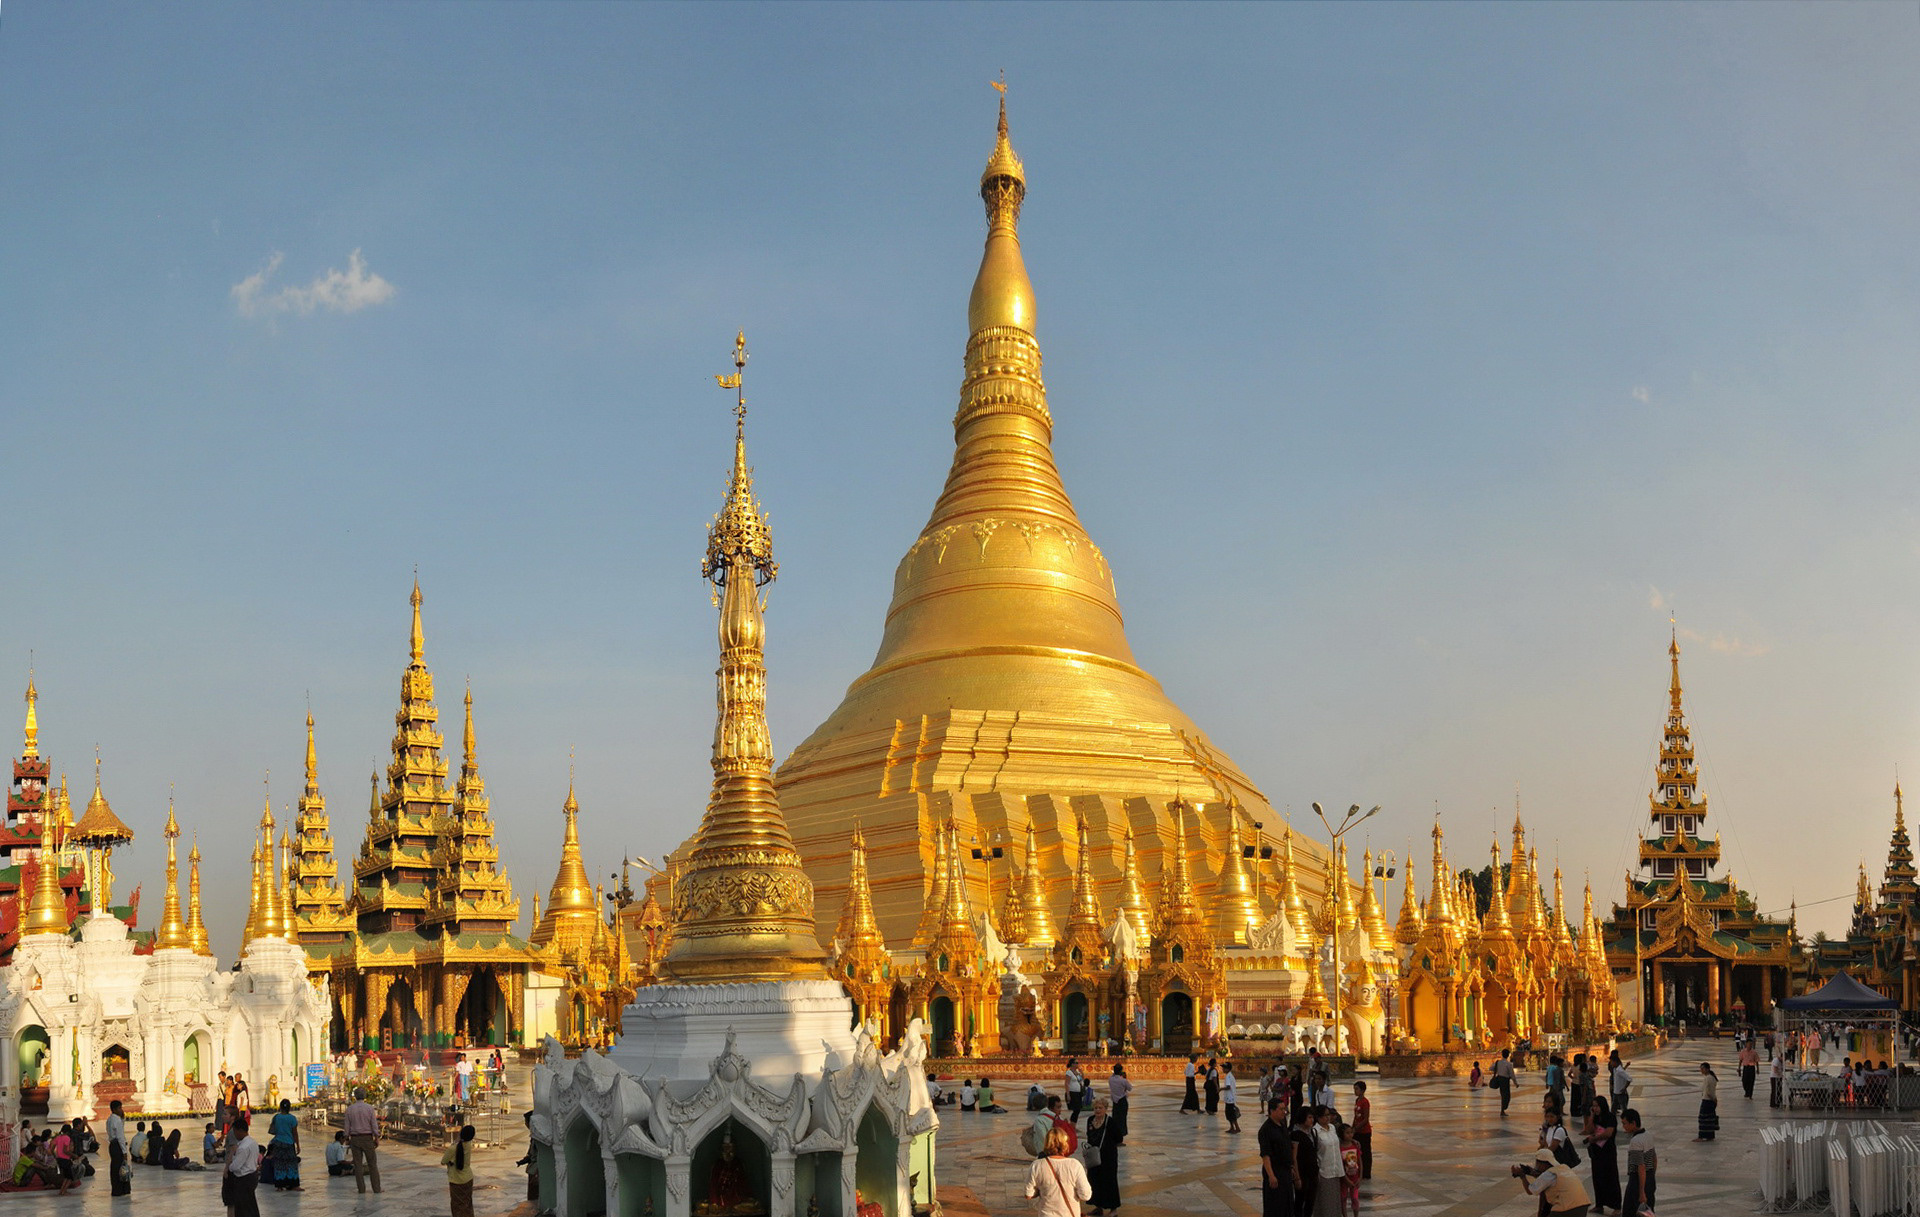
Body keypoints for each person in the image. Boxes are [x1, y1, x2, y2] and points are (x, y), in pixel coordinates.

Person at [1024, 1125, 1092, 1217]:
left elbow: (1028, 1194)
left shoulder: (1037, 1165)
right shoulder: (1075, 1165)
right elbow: (1085, 1195)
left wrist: (1040, 1191)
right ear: (1065, 1144)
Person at [1513, 1146, 1591, 1215]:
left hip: (1567, 1209)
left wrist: (1522, 1176)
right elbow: (1548, 1180)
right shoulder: (1563, 1168)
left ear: (1543, 1164)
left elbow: (1531, 1190)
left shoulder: (1548, 1174)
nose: (1537, 1166)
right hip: (1583, 1206)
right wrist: (1533, 1173)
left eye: (1537, 1163)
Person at [1259, 1095, 1296, 1217]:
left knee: (1287, 1204)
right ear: (1272, 1111)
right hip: (1275, 1171)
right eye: (1281, 1109)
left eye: (1284, 1109)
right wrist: (1271, 1175)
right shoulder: (1266, 1130)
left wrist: (1291, 1167)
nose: (1284, 1112)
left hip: (1285, 1172)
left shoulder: (1282, 1125)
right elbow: (1265, 1155)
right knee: (1275, 1206)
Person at [1083, 1097, 1121, 1217]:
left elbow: (1119, 1138)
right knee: (1095, 1180)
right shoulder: (1090, 1120)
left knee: (1109, 1181)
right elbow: (1089, 1136)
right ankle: (1098, 1207)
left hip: (1108, 1157)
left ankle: (1113, 1209)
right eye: (1096, 1108)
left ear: (1106, 1109)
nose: (1098, 1110)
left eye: (1100, 1108)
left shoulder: (1110, 1122)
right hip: (1094, 1156)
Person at [1584, 1095, 1621, 1214]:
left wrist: (1594, 1138)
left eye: (1597, 1106)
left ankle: (1616, 1206)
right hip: (1597, 1152)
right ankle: (1599, 1204)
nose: (1595, 1108)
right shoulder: (1595, 1118)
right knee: (1597, 1178)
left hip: (1608, 1152)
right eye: (1593, 1106)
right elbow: (1589, 1130)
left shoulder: (1610, 1117)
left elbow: (1609, 1133)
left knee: (1611, 1177)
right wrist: (1591, 1116)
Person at [344, 1086, 383, 1195]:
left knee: (358, 1165)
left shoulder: (350, 1109)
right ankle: (376, 1188)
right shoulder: (369, 1108)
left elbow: (347, 1126)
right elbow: (374, 1124)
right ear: (364, 1096)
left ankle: (361, 1189)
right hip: (367, 1138)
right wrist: (376, 1137)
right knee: (372, 1164)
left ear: (355, 1096)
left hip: (355, 1138)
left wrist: (347, 1138)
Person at [224, 1116, 262, 1217]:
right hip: (252, 1176)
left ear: (240, 1131)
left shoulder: (243, 1147)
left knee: (242, 1208)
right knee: (251, 1205)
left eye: (235, 1131)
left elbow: (235, 1167)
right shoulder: (253, 1142)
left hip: (243, 1180)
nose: (235, 1134)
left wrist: (229, 1165)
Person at [1619, 1109, 1654, 1217]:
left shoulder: (1636, 1142)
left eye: (1625, 1123)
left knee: (1632, 1211)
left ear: (1633, 1123)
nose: (1623, 1127)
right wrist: (1651, 1177)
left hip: (1637, 1181)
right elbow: (1654, 1158)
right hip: (1649, 1177)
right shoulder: (1648, 1135)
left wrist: (1641, 1191)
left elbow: (1641, 1166)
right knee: (1647, 1211)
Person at [1311, 1107, 1344, 1217]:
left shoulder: (1332, 1128)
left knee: (1335, 1202)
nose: (1328, 1117)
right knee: (1325, 1203)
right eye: (1325, 1115)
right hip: (1324, 1171)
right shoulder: (1315, 1131)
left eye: (1328, 1115)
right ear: (1318, 1117)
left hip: (1335, 1169)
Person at [443, 1123, 477, 1217]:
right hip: (468, 1178)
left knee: (457, 1206)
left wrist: (455, 1141)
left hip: (456, 1180)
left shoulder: (453, 1148)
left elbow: (443, 1161)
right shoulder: (468, 1145)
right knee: (467, 1204)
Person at [267, 1098, 302, 1190]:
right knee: (291, 1164)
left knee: (279, 1163)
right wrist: (298, 1145)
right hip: (289, 1143)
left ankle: (280, 1185)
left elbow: (272, 1130)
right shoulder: (292, 1118)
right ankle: (294, 1184)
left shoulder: (276, 1117)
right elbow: (295, 1133)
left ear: (280, 1107)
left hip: (278, 1143)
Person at [1290, 1108, 1319, 1217]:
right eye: (1309, 1117)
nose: (1312, 1120)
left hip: (1312, 1172)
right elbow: (1294, 1157)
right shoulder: (1296, 1134)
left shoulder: (1312, 1132)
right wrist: (1297, 1177)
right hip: (1302, 1173)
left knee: (1310, 1201)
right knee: (1300, 1200)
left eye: (1312, 1117)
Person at [107, 1099, 131, 1197]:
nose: (121, 1110)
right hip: (118, 1146)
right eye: (119, 1108)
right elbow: (120, 1136)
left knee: (115, 1167)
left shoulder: (110, 1119)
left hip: (112, 1145)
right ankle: (122, 1189)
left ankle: (117, 1189)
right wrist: (124, 1152)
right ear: (114, 1109)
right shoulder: (116, 1120)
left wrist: (123, 1118)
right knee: (120, 1168)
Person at [1338, 1123, 1361, 1217]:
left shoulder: (1355, 1146)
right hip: (1344, 1179)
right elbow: (1340, 1165)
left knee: (1355, 1199)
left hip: (1355, 1178)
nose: (1350, 1135)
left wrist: (1360, 1177)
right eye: (1347, 1133)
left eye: (1351, 1132)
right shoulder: (1340, 1148)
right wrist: (1345, 1179)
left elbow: (1360, 1162)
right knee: (1343, 1198)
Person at [1350, 1081, 1371, 1179]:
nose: (1355, 1091)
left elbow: (1366, 1119)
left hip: (1364, 1131)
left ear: (1362, 1090)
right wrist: (1352, 1127)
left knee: (1366, 1152)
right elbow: (1356, 1116)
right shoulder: (1357, 1100)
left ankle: (1366, 1172)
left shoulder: (1365, 1102)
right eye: (1354, 1089)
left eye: (1357, 1089)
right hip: (1357, 1130)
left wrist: (1356, 1128)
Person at [50, 1121, 77, 1196]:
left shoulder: (58, 1137)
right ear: (68, 1131)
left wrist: (55, 1156)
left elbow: (52, 1149)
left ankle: (62, 1191)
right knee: (70, 1177)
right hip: (66, 1159)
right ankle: (63, 1191)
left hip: (59, 1159)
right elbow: (65, 1150)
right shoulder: (67, 1138)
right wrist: (74, 1155)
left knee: (66, 1176)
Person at [1694, 1061, 1719, 1141]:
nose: (1701, 1070)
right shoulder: (1711, 1077)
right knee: (1709, 1118)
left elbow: (1709, 1092)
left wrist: (1713, 1099)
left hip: (1707, 1100)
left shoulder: (1708, 1078)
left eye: (1703, 1068)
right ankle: (1710, 1135)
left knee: (1703, 1119)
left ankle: (1701, 1136)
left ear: (1707, 1069)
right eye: (1701, 1069)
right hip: (1710, 1100)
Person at [1108, 1064, 1132, 1143]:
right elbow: (1130, 1088)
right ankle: (1120, 1138)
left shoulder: (1110, 1079)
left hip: (1115, 1102)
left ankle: (1115, 1137)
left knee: (1115, 1119)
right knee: (1122, 1120)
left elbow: (1112, 1076)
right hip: (1122, 1101)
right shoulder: (1123, 1080)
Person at [1492, 1048, 1516, 1116]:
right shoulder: (1509, 1064)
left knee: (1503, 1095)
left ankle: (1502, 1110)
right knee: (1506, 1096)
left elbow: (1490, 1068)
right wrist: (1515, 1083)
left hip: (1500, 1079)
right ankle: (1503, 1109)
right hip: (1505, 1080)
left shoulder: (1498, 1062)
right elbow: (1512, 1074)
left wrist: (1498, 1069)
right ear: (1508, 1055)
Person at [1065, 1058, 1086, 1124]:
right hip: (1072, 1093)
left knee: (1078, 1109)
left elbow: (1081, 1080)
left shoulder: (1077, 1072)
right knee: (1076, 1109)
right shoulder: (1069, 1072)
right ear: (1072, 1064)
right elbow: (1067, 1083)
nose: (1077, 1064)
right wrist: (1068, 1094)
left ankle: (1073, 1123)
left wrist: (1082, 1072)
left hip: (1078, 1093)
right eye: (1076, 1063)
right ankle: (1072, 1123)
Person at [1223, 1062, 1242, 1134]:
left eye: (1224, 1068)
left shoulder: (1228, 1076)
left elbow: (1228, 1087)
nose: (1223, 1069)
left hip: (1230, 1098)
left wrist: (1220, 1089)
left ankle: (1237, 1128)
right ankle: (1232, 1127)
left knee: (1231, 1114)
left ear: (1228, 1069)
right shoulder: (1229, 1075)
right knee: (1229, 1114)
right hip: (1230, 1098)